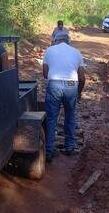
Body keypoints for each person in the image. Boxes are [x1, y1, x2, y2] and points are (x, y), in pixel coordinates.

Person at [43, 32, 85, 163]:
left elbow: (45, 73)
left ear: (55, 41)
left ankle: (49, 150)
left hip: (54, 84)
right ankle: (70, 147)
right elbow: (82, 77)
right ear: (68, 41)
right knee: (70, 116)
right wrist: (78, 93)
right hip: (72, 85)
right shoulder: (77, 52)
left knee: (51, 118)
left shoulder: (49, 51)